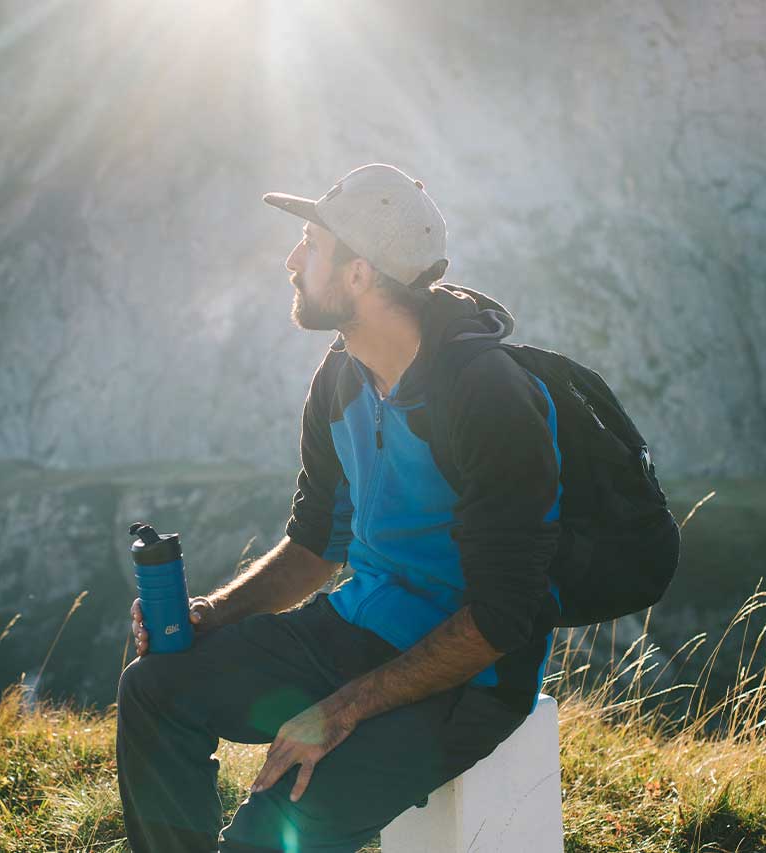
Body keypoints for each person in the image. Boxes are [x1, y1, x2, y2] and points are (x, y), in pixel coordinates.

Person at [116, 163, 567, 853]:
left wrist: (341, 710)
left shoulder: (488, 396)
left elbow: (502, 619)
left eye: (311, 244)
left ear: (359, 274)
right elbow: (314, 544)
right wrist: (214, 611)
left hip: (468, 675)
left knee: (274, 826)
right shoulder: (339, 377)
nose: (292, 261)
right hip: (356, 626)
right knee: (156, 687)